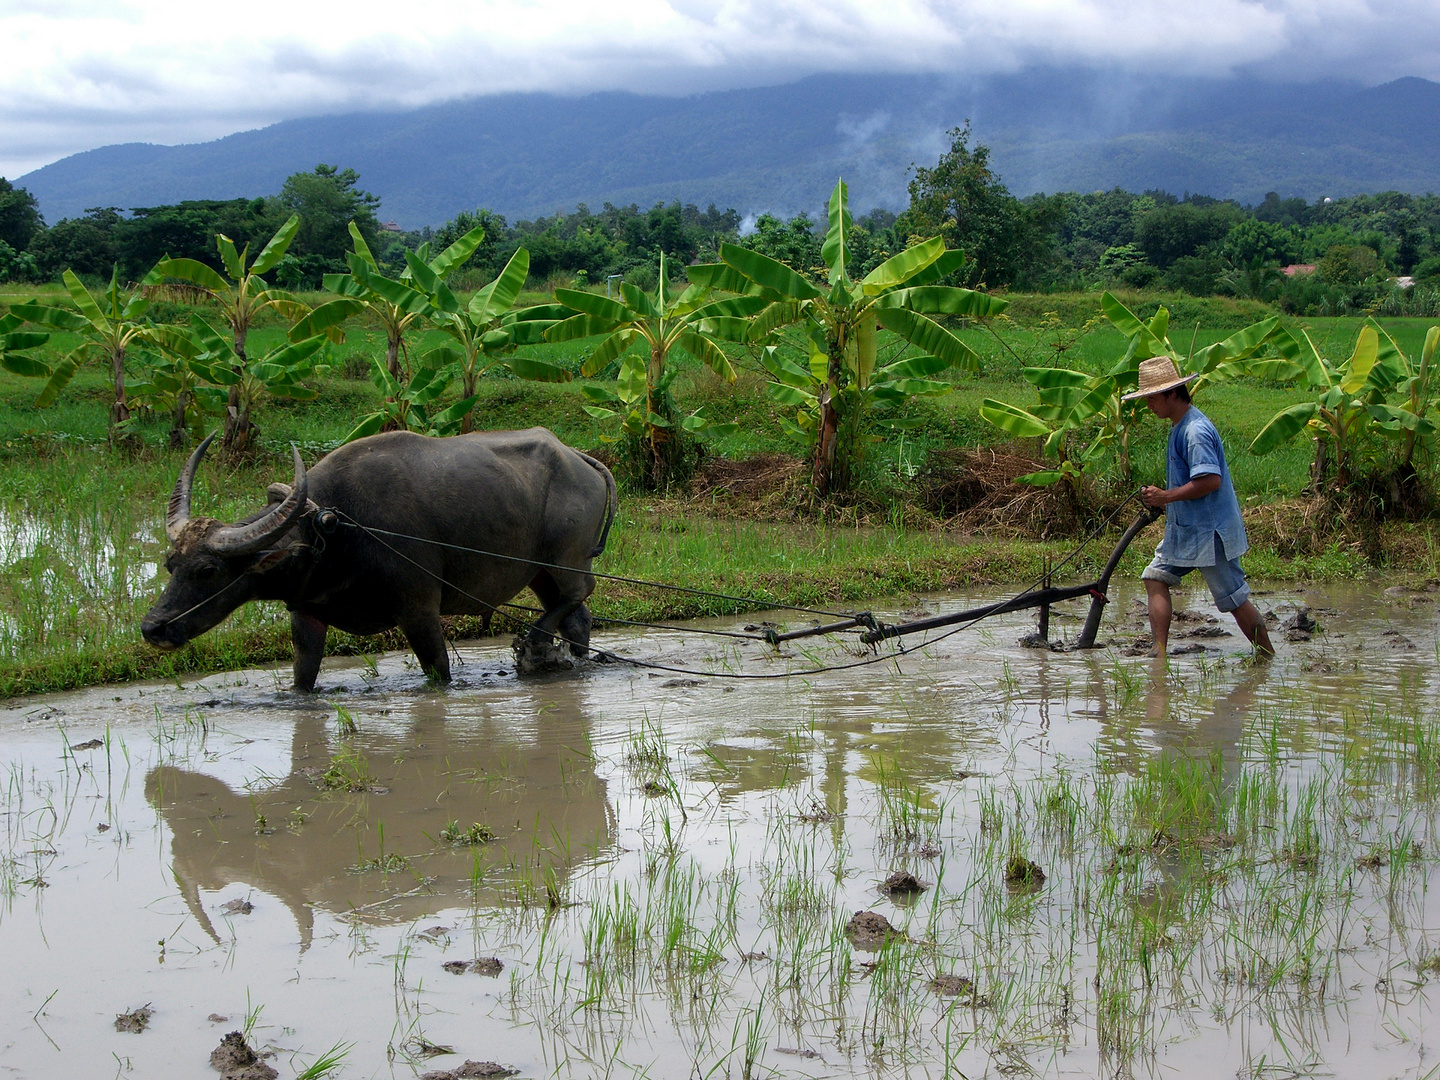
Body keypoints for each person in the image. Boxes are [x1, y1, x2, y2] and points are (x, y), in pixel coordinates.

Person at [1123, 356, 1274, 659]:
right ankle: (1160, 653)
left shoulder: (1195, 431)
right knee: (1154, 577)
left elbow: (1210, 481)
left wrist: (1165, 496)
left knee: (1233, 598)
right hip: (1187, 530)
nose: (1149, 405)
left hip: (1209, 532)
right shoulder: (1180, 426)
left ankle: (1267, 656)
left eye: (1152, 398)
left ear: (1172, 393)